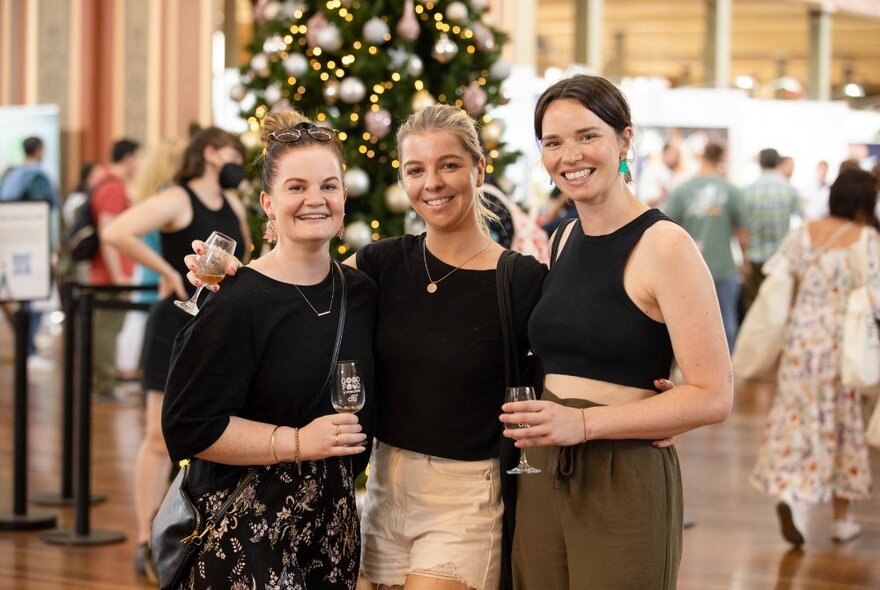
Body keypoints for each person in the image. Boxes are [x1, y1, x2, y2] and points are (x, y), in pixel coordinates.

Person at [501, 74, 733, 589]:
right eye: (553, 142)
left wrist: (583, 426)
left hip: (622, 471)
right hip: (542, 465)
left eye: (588, 136)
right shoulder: (562, 238)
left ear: (624, 139)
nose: (570, 155)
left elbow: (715, 396)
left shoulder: (666, 245)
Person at [160, 110, 376, 589]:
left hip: (332, 531)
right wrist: (298, 443)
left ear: (344, 196)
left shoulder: (362, 293)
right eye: (296, 187)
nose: (315, 200)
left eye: (329, 186)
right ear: (268, 203)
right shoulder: (237, 301)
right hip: (247, 531)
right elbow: (190, 425)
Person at [102, 128, 250, 580]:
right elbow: (117, 230)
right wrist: (169, 273)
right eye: (233, 153)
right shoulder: (179, 198)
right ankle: (147, 540)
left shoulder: (235, 204)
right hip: (174, 325)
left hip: (217, 330)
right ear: (209, 153)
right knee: (156, 437)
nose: (237, 162)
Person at [750, 168, 880, 547]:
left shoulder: (803, 232)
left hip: (800, 340)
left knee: (796, 417)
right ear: (864, 202)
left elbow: (779, 279)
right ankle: (841, 520)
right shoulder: (868, 239)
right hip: (844, 345)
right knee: (844, 424)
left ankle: (790, 492)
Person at [664, 141, 749, 351]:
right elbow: (743, 233)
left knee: (687, 323)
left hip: (689, 268)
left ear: (702, 157)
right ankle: (726, 373)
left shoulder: (682, 190)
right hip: (723, 266)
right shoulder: (731, 190)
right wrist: (745, 260)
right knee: (726, 320)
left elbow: (666, 228)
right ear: (721, 159)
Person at [0, 136, 61, 369]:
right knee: (34, 298)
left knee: (21, 298)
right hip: (34, 246)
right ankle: (29, 350)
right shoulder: (38, 177)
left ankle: (26, 349)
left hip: (12, 246)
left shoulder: (11, 175)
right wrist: (54, 246)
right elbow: (47, 213)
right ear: (40, 150)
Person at [90, 138, 141, 400]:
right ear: (129, 158)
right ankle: (105, 386)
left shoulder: (106, 183)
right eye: (138, 158)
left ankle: (105, 383)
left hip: (108, 272)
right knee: (107, 330)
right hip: (109, 274)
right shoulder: (112, 188)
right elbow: (107, 233)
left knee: (107, 329)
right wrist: (118, 274)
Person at [738, 148, 802, 321]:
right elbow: (803, 218)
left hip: (754, 258)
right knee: (777, 309)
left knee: (753, 308)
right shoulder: (788, 189)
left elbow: (742, 228)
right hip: (779, 258)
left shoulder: (747, 191)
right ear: (778, 163)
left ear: (759, 162)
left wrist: (744, 258)